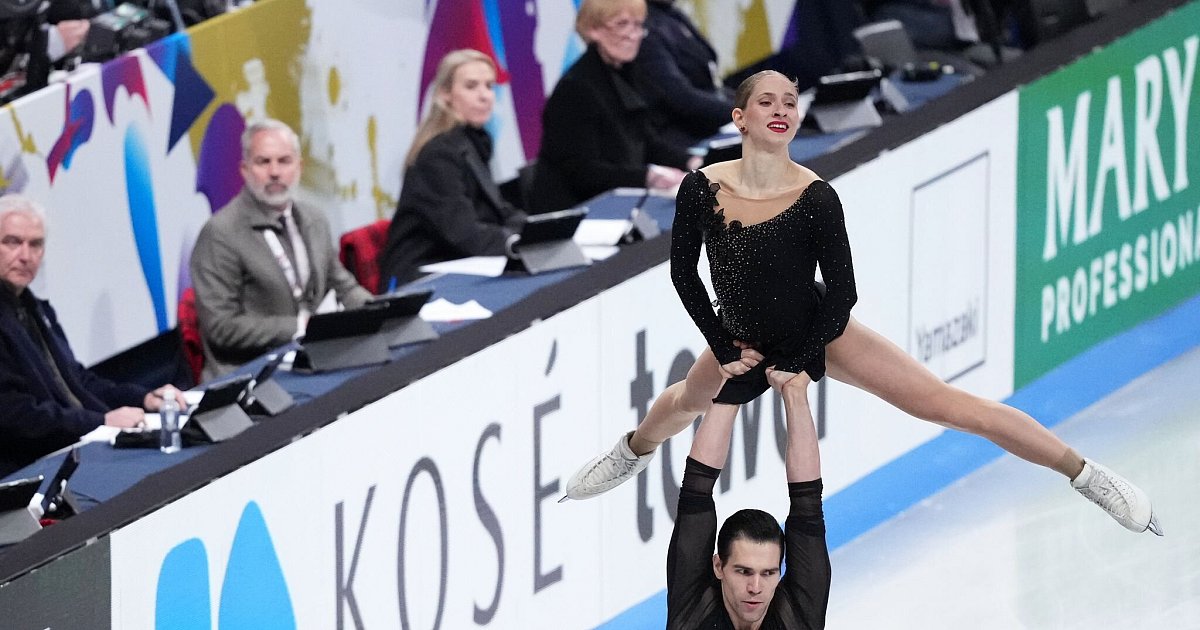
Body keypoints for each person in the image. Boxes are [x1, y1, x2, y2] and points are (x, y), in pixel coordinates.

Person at [564, 70, 1164, 537]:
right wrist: (722, 346)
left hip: (818, 329)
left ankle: (1086, 474)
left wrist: (800, 357)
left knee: (947, 406)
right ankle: (632, 452)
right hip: (739, 334)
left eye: (790, 102)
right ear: (740, 117)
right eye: (767, 102)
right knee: (683, 401)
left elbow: (844, 293)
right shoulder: (702, 187)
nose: (781, 110)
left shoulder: (815, 196)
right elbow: (684, 274)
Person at [0, 195, 185, 477]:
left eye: (35, 244)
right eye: (12, 242)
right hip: (32, 469)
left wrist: (143, 398)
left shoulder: (34, 308)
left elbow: (78, 381)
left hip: (77, 449)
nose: (26, 256)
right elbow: (14, 413)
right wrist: (100, 421)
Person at [190, 119, 372, 380]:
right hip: (253, 373)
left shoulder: (314, 218)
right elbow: (221, 327)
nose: (275, 172)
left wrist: (379, 311)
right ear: (244, 170)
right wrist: (300, 327)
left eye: (284, 161)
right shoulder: (220, 233)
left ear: (299, 166)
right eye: (263, 162)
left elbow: (343, 286)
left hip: (314, 356)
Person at [668, 366, 830, 629]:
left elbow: (808, 502)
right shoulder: (694, 609)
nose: (756, 587)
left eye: (768, 573)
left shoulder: (798, 615)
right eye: (743, 571)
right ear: (718, 566)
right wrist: (733, 385)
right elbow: (695, 491)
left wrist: (795, 392)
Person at [529, 0, 698, 214]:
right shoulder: (574, 89)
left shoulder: (626, 73)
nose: (632, 35)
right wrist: (648, 177)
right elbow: (583, 172)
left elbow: (646, 141)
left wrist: (692, 161)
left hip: (619, 202)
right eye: (622, 24)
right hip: (577, 212)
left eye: (638, 25)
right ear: (593, 29)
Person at [378, 49, 527, 288]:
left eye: (489, 86)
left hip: (459, 261)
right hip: (420, 276)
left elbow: (495, 209)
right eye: (471, 86)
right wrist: (514, 241)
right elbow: (461, 231)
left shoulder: (474, 140)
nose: (485, 96)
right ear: (444, 94)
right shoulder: (438, 154)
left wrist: (533, 230)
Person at [634, 0, 735, 149]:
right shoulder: (645, 30)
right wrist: (743, 110)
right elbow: (682, 98)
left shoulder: (672, 13)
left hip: (712, 121)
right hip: (683, 138)